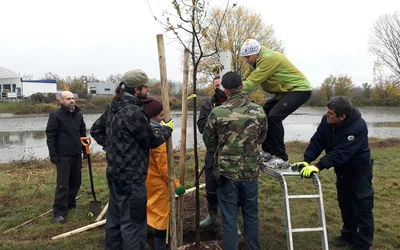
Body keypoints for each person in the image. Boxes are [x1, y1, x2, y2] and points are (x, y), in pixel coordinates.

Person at [90, 69, 174, 250]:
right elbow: (151, 140)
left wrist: (113, 148)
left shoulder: (114, 106)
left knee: (115, 220)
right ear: (136, 90)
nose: (148, 91)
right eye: (145, 88)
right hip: (132, 179)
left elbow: (96, 130)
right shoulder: (133, 111)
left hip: (114, 175)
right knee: (134, 226)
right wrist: (167, 129)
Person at [292, 96, 374, 250]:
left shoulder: (358, 126)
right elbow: (318, 140)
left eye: (330, 113)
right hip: (342, 170)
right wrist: (307, 159)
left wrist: (318, 166)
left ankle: (362, 244)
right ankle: (347, 236)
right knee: (345, 204)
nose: (325, 114)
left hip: (359, 170)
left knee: (362, 207)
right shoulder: (327, 121)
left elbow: (340, 153)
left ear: (342, 117)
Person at [203, 72, 267, 250]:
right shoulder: (258, 110)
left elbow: (209, 142)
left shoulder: (217, 112)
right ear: (241, 86)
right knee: (251, 214)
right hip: (250, 171)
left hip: (227, 173)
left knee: (229, 217)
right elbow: (262, 137)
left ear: (225, 89)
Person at [240, 38, 312, 169]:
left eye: (247, 57)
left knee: (274, 117)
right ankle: (268, 152)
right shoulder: (255, 62)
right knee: (263, 115)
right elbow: (245, 79)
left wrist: (232, 94)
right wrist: (230, 85)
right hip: (285, 92)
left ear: (256, 53)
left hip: (299, 89)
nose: (246, 60)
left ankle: (281, 157)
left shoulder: (268, 59)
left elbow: (251, 83)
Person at [142, 98, 186, 250]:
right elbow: (164, 166)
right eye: (161, 115)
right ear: (153, 116)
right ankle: (160, 246)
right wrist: (176, 185)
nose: (164, 118)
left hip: (145, 178)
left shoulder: (141, 129)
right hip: (158, 182)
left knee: (147, 210)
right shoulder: (158, 137)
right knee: (161, 216)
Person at [45, 90, 87, 224]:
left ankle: (71, 204)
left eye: (73, 98)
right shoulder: (55, 115)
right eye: (68, 98)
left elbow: (83, 133)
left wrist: (85, 150)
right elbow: (50, 135)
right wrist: (53, 154)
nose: (72, 101)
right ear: (61, 101)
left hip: (76, 154)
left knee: (76, 181)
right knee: (63, 184)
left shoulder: (78, 115)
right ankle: (59, 212)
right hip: (63, 155)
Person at [197, 76, 227, 229]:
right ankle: (212, 215)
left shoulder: (234, 104)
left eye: (221, 85)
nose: (219, 88)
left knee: (231, 187)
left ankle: (232, 221)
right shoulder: (207, 105)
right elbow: (201, 127)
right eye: (216, 85)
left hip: (230, 154)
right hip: (212, 152)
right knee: (211, 187)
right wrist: (215, 113)